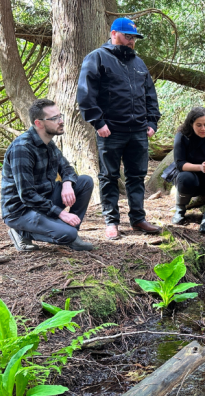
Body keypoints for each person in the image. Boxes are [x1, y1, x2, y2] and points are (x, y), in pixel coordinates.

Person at [77, 17, 162, 240]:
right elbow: (86, 94)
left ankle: (138, 219)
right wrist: (98, 122)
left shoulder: (139, 63)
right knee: (109, 176)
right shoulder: (97, 58)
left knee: (137, 176)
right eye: (128, 36)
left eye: (134, 38)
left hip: (138, 131)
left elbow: (150, 95)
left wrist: (152, 122)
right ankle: (111, 222)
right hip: (110, 130)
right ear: (114, 33)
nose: (131, 41)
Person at [1, 98, 95, 252]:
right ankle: (21, 232)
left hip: (45, 199)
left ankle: (71, 233)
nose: (61, 121)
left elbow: (67, 168)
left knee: (85, 182)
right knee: (67, 233)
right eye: (55, 118)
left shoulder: (48, 143)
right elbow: (27, 195)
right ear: (39, 123)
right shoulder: (22, 148)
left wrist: (66, 184)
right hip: (21, 210)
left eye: (60, 116)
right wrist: (61, 214)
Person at [171, 107, 205, 234]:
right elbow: (179, 164)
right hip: (189, 178)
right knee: (186, 177)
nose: (203, 129)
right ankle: (180, 210)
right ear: (191, 124)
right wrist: (200, 167)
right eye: (199, 125)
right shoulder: (182, 136)